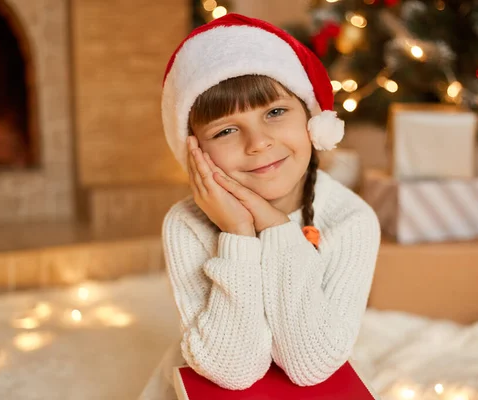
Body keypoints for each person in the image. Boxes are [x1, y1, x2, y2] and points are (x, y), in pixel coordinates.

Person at [139, 13, 380, 400]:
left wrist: (275, 227)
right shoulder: (186, 224)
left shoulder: (351, 220)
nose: (258, 143)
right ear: (196, 151)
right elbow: (233, 371)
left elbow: (311, 366)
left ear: (313, 120)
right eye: (226, 130)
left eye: (275, 112)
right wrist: (238, 234)